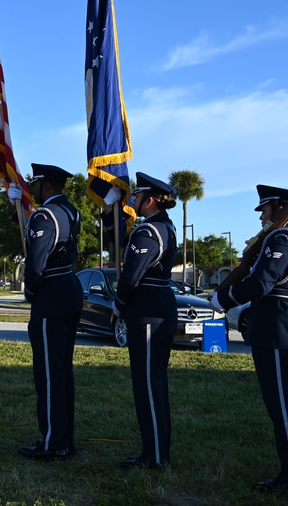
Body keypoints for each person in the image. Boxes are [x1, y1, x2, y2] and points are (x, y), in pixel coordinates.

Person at [211, 185, 288, 493]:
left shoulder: (283, 237)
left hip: (279, 328)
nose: (262, 219)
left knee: (284, 407)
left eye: (265, 211)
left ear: (280, 208)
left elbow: (261, 283)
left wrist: (225, 298)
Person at [113, 172, 178, 470]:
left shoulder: (148, 232)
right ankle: (157, 450)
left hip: (148, 313)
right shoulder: (163, 227)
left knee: (148, 385)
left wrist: (119, 304)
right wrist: (107, 211)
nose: (132, 201)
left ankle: (154, 456)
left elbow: (131, 277)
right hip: (158, 308)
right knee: (154, 383)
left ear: (149, 200)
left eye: (136, 197)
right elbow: (120, 241)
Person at [18, 164, 83, 462]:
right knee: (61, 370)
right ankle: (63, 439)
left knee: (48, 371)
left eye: (36, 184)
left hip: (52, 292)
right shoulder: (72, 211)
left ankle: (52, 441)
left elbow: (37, 261)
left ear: (46, 186)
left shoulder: (44, 215)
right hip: (69, 286)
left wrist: (30, 290)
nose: (33, 189)